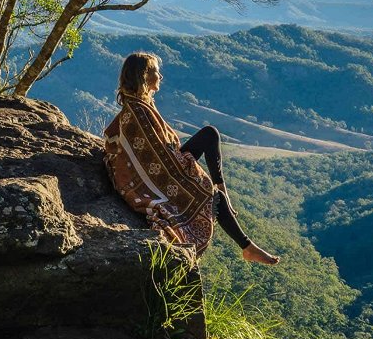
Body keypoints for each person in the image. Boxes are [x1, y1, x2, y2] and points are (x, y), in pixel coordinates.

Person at [103, 52, 279, 265]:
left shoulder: (141, 104)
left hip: (164, 165)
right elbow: (150, 158)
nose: (160, 77)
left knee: (210, 134)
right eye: (156, 72)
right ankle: (248, 247)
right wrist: (187, 170)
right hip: (156, 178)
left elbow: (159, 151)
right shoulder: (137, 111)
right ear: (144, 76)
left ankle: (222, 191)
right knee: (212, 197)